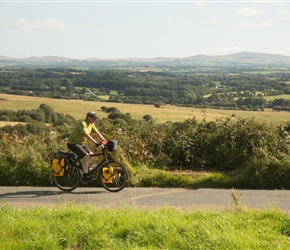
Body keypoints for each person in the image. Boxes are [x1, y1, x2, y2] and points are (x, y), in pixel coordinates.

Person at [67, 111, 106, 182]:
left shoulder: (91, 124)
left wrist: (106, 141)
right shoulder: (82, 123)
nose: (95, 120)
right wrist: (96, 142)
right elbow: (86, 134)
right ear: (89, 117)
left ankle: (80, 170)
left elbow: (97, 133)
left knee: (91, 155)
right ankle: (85, 175)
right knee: (86, 156)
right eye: (94, 118)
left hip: (81, 143)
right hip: (73, 143)